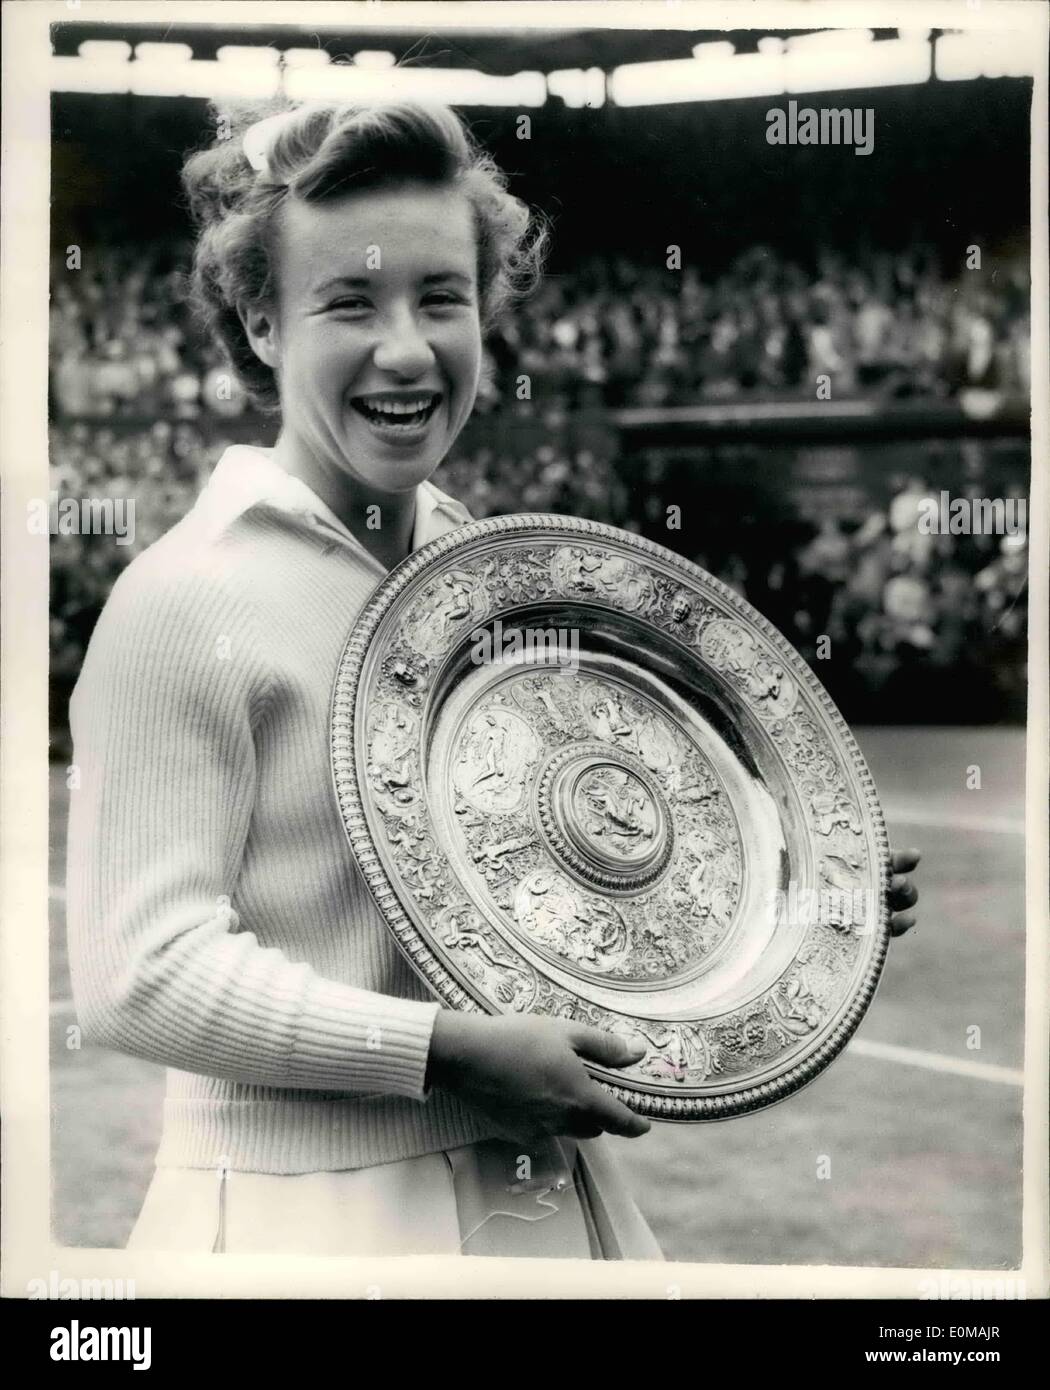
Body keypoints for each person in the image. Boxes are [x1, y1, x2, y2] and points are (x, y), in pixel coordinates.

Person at [66, 99, 920, 1262]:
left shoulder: (491, 569)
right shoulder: (182, 598)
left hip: (545, 1202)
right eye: (350, 302)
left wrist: (796, 891)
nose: (408, 348)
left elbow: (541, 863)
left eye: (442, 297)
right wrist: (444, 1053)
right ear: (262, 325)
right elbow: (138, 973)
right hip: (299, 1225)